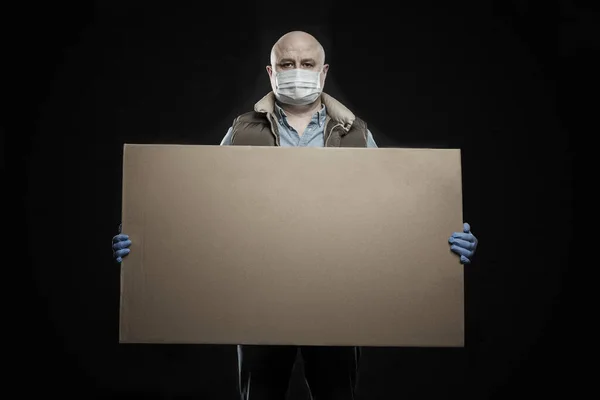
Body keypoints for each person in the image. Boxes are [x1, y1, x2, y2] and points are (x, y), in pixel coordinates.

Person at [112, 31, 478, 400]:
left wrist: (443, 241)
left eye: (307, 64)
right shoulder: (241, 132)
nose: (297, 71)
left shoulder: (356, 135)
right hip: (257, 294)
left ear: (323, 72)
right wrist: (143, 239)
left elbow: (393, 218)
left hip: (340, 295)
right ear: (271, 72)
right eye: (287, 64)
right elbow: (200, 210)